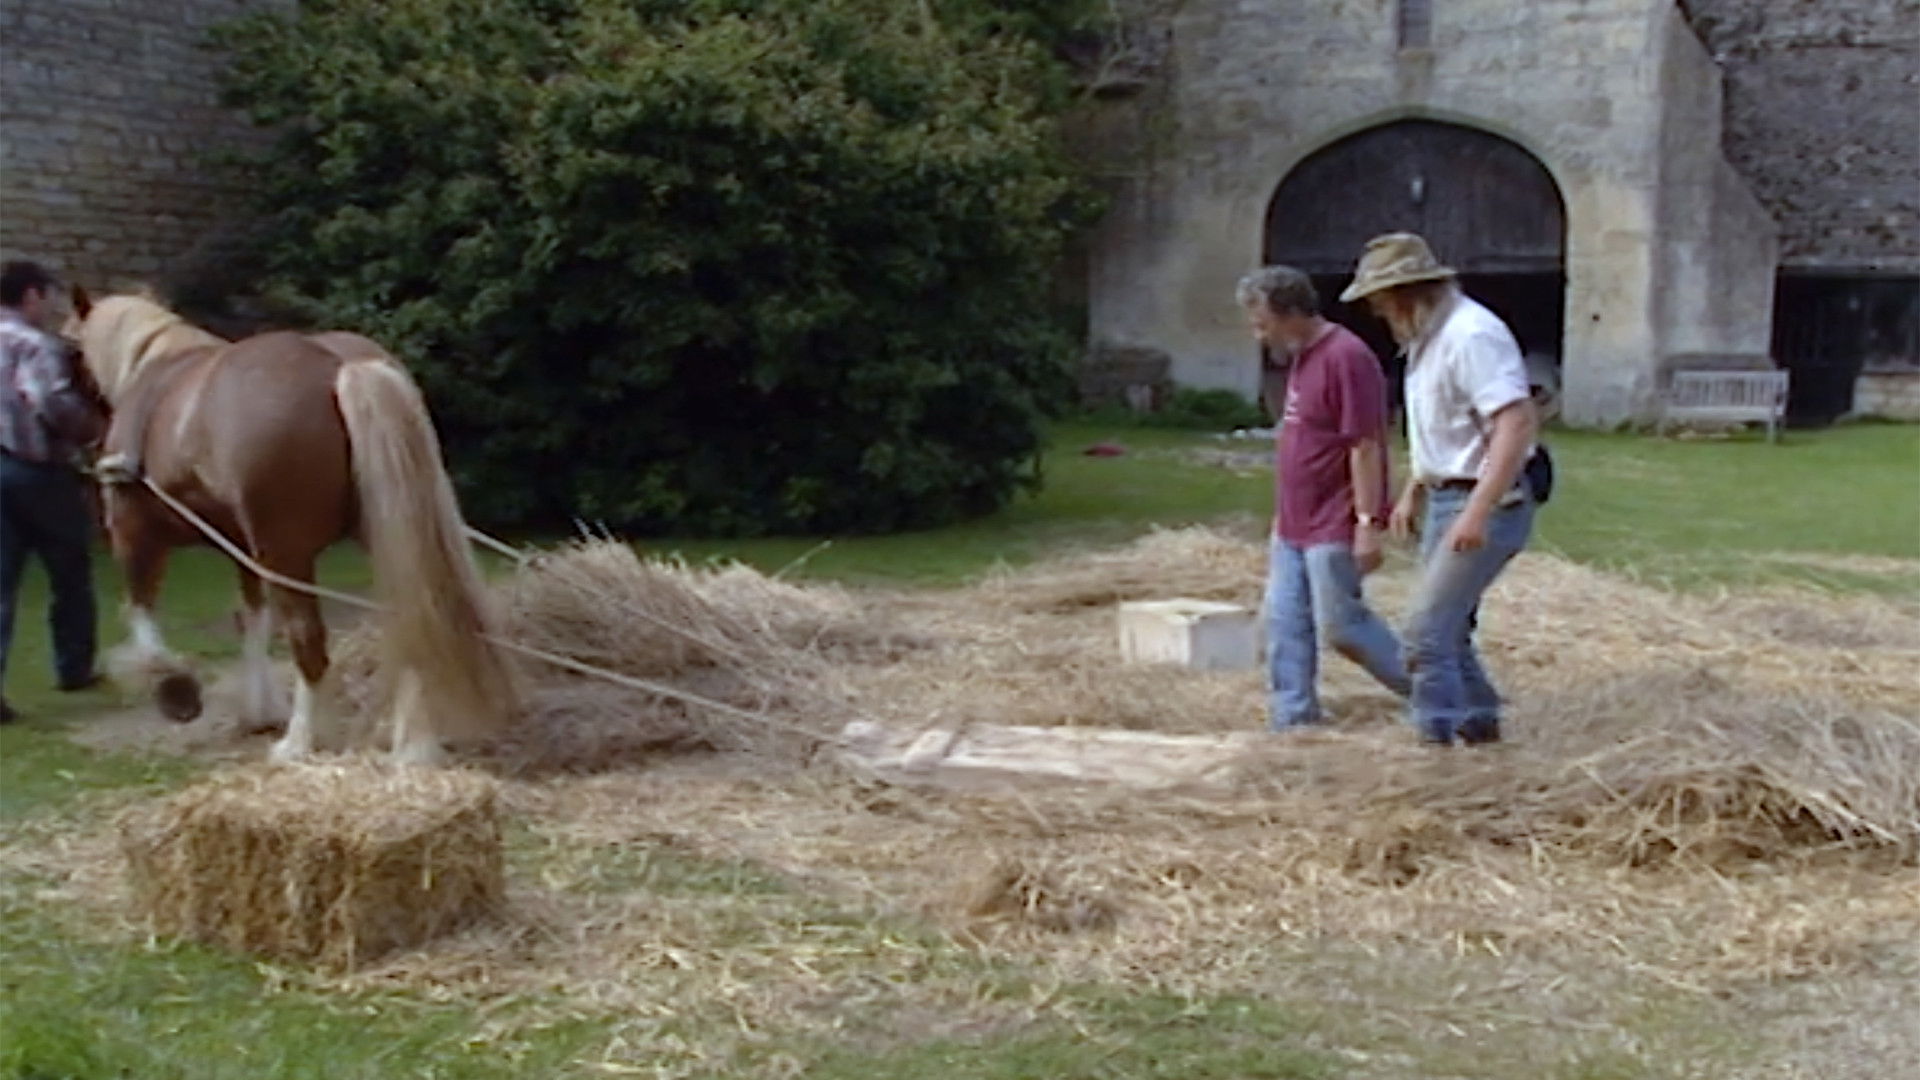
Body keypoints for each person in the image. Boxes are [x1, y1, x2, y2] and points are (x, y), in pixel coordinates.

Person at [1340, 233, 1539, 746]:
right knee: (1448, 631)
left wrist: (1477, 511)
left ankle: (1436, 753)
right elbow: (1443, 429)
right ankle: (1481, 731)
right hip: (1446, 492)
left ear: (1408, 293)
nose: (1380, 314)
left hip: (1490, 497)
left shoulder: (1472, 335)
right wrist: (1414, 489)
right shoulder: (1427, 339)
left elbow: (1515, 423)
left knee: (1424, 636)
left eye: (1382, 303)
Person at [1236, 265, 1408, 732]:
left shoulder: (1346, 357)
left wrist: (1369, 523)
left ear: (1291, 313)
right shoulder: (1302, 357)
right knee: (1284, 625)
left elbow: (1366, 445)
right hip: (1294, 523)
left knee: (1344, 627)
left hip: (1334, 520)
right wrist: (1281, 515)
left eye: (1262, 322)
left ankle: (1437, 690)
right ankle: (1294, 721)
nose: (1258, 334)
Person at [1, 260, 106, 723]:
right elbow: (52, 400)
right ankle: (73, 668)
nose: (49, 307)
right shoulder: (37, 345)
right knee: (70, 573)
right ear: (31, 296)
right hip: (38, 473)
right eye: (47, 297)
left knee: (1, 585)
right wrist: (97, 433)